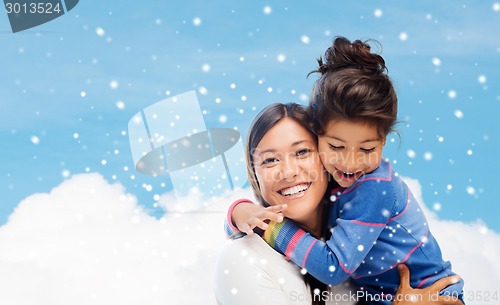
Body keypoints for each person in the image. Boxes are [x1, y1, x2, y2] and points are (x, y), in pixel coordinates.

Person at [214, 103, 462, 305]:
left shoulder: (350, 249)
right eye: (269, 160)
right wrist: (245, 215)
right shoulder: (245, 259)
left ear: (326, 158)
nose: (288, 172)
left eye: (302, 152)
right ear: (254, 174)